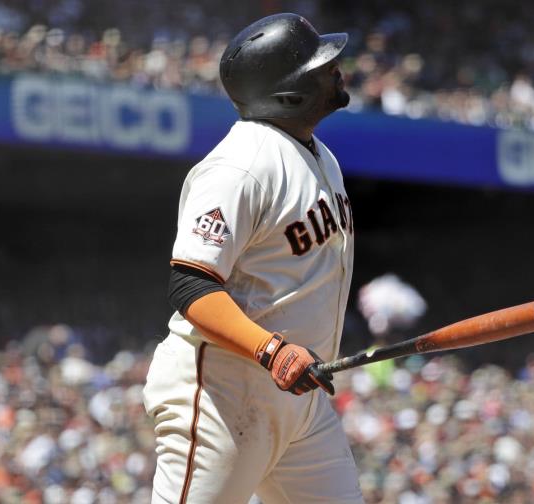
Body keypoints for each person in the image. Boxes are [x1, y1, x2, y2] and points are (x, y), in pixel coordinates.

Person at [142, 13, 362, 503]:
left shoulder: (318, 156)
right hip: (226, 393)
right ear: (291, 90)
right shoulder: (239, 166)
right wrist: (273, 350)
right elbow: (191, 285)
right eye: (321, 66)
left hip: (301, 400)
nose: (336, 69)